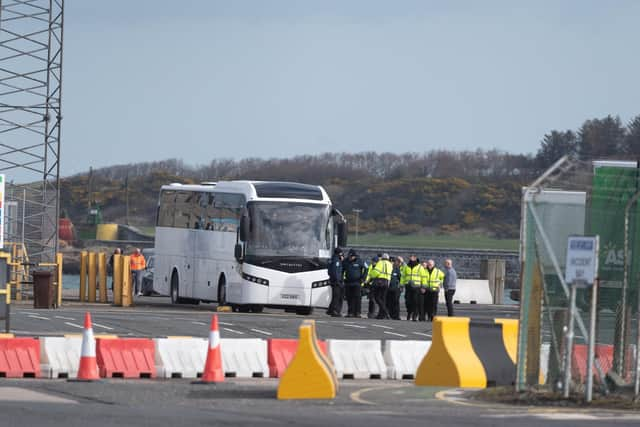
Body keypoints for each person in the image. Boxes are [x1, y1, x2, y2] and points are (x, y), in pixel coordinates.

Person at [343, 249, 367, 318]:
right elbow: (341, 270)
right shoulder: (345, 261)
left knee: (357, 298)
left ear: (355, 256)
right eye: (350, 256)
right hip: (348, 282)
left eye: (352, 257)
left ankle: (358, 313)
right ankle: (350, 312)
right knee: (349, 298)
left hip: (357, 283)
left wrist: (363, 278)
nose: (350, 258)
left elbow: (366, 269)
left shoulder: (360, 261)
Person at [369, 253, 393, 320]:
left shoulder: (380, 263)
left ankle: (385, 311)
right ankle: (381, 315)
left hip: (379, 282)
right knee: (383, 299)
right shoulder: (390, 264)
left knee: (377, 298)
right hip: (386, 282)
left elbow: (376, 272)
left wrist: (371, 274)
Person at [402, 254, 423, 321]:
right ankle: (409, 312)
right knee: (408, 301)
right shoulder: (406, 266)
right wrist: (401, 285)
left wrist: (423, 286)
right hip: (408, 286)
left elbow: (423, 277)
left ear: (415, 258)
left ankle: (414, 315)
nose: (411, 258)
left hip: (416, 286)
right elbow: (403, 276)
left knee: (415, 301)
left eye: (412, 257)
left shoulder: (420, 267)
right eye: (410, 257)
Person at [326, 248, 344, 317]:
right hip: (336, 281)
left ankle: (330, 310)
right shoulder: (336, 260)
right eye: (341, 253)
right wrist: (337, 280)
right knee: (337, 296)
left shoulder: (332, 259)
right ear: (339, 253)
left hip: (333, 280)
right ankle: (334, 311)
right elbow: (335, 271)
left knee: (335, 296)